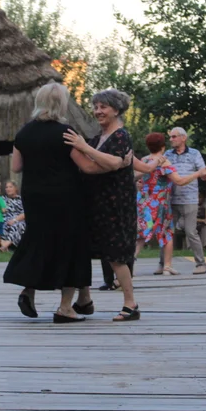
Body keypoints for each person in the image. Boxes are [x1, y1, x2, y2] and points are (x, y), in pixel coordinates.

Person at [4, 82, 93, 322]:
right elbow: (86, 166)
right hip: (65, 196)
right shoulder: (65, 133)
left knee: (38, 241)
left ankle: (28, 291)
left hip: (34, 195)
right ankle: (65, 307)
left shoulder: (24, 132)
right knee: (69, 245)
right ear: (61, 104)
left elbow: (16, 167)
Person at [63, 89, 143, 321]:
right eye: (96, 106)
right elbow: (93, 166)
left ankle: (131, 304)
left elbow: (112, 161)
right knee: (85, 251)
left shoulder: (120, 136)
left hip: (116, 203)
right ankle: (84, 299)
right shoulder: (98, 138)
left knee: (116, 255)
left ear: (116, 109)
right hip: (95, 202)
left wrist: (88, 149)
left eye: (103, 107)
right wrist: (110, 163)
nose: (98, 111)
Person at [135, 132, 201, 274]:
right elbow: (179, 181)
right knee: (166, 233)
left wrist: (140, 185)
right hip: (160, 203)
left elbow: (136, 178)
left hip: (143, 202)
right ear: (163, 147)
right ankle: (167, 266)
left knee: (140, 234)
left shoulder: (144, 160)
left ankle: (129, 263)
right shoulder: (164, 161)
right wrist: (198, 173)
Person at [158, 127, 206, 275]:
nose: (171, 139)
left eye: (174, 137)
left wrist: (204, 174)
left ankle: (201, 264)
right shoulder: (167, 154)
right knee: (167, 232)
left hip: (189, 199)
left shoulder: (194, 154)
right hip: (170, 199)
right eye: (170, 137)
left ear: (183, 138)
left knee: (190, 232)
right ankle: (162, 264)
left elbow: (204, 171)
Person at [0, 181, 26, 253]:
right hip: (3, 220)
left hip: (18, 220)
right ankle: (4, 245)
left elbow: (25, 213)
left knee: (18, 225)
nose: (8, 189)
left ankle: (5, 245)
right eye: (6, 187)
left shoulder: (21, 200)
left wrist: (14, 220)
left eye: (10, 187)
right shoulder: (1, 199)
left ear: (15, 188)